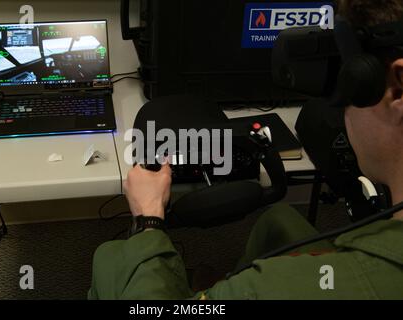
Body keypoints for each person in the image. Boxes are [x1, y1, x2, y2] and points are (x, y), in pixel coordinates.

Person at [88, 0, 403, 300]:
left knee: (110, 256)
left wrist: (149, 221)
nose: (342, 111)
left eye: (348, 88)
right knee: (277, 220)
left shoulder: (267, 289)